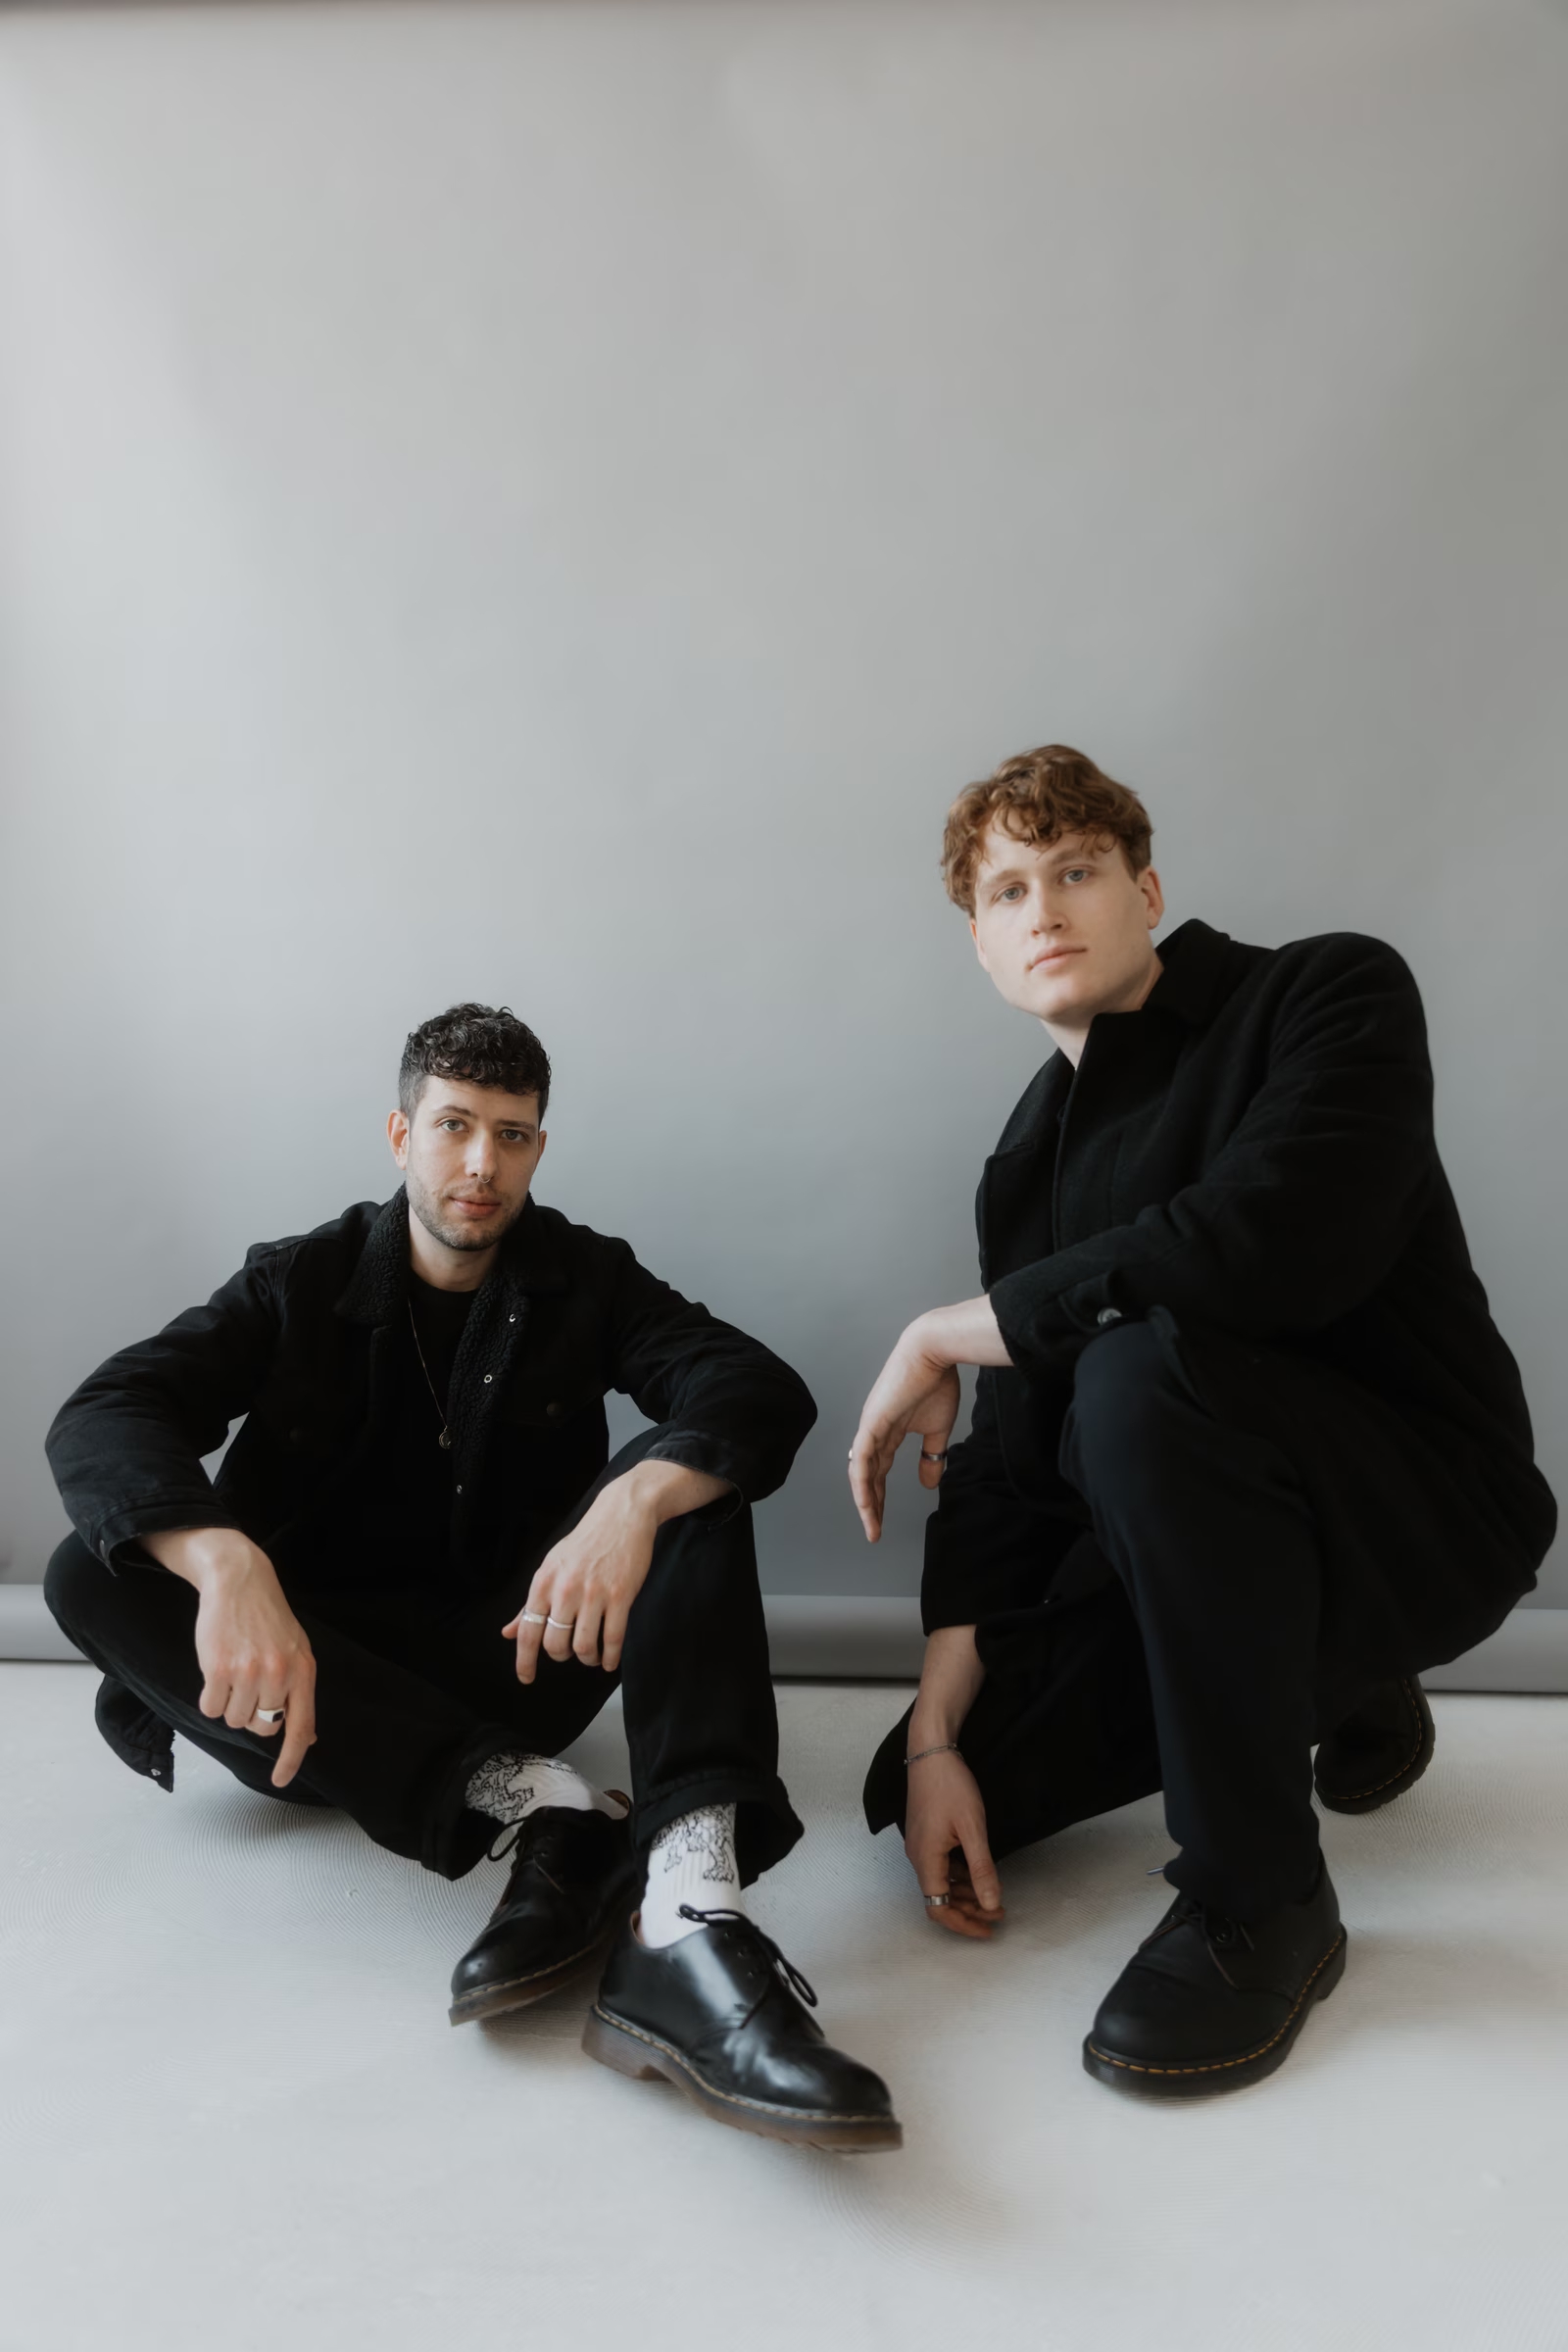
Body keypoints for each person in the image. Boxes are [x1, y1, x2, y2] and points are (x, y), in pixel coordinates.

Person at [46, 1004, 900, 2153]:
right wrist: (224, 1556)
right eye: (454, 1127)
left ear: (539, 1147)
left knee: (692, 1477)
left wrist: (633, 1501)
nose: (480, 1164)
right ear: (401, 1135)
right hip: (318, 1706)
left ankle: (690, 1903)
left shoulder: (584, 1277)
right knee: (86, 1572)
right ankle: (540, 1805)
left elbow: (753, 1385)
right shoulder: (299, 1281)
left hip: (519, 1654)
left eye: (511, 1134)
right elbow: (108, 1410)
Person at [851, 746, 1555, 2097]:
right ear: (983, 950)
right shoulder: (1025, 1169)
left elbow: (1266, 1247)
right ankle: (1323, 1677)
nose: (1044, 907)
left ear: (1146, 887)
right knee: (930, 1787)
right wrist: (938, 1724)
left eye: (1076, 870)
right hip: (1205, 1534)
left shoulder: (1326, 992)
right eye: (1007, 891)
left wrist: (945, 1327)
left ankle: (1262, 1898)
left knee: (1132, 1375)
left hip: (1422, 1515)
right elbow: (1001, 1467)